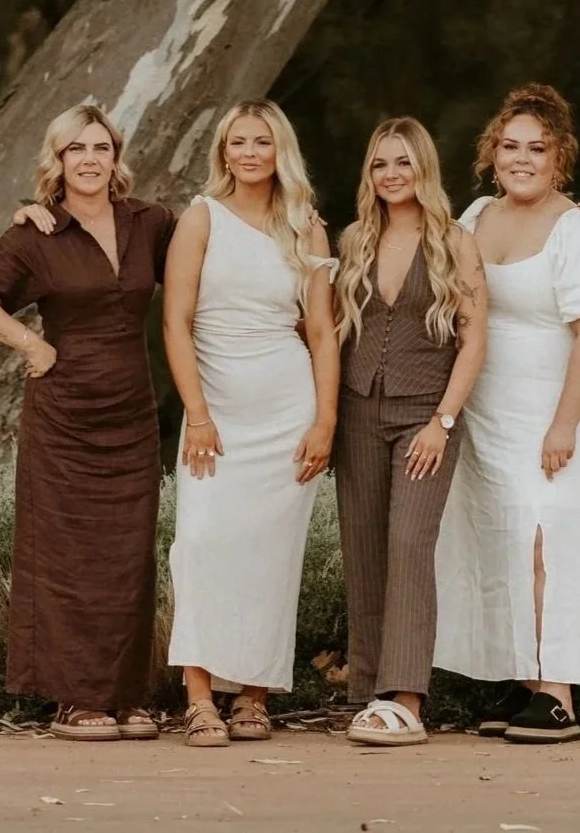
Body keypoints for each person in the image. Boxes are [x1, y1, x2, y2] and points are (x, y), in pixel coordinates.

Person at [0, 104, 177, 742]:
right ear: (59, 159)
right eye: (77, 149)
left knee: (128, 557)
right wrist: (31, 343)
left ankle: (126, 695)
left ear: (116, 156)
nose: (90, 159)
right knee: (68, 554)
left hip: (131, 413)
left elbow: (207, 263)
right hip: (65, 415)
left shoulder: (151, 222)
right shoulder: (38, 233)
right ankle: (75, 700)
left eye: (101, 147)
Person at [437, 84, 580, 744]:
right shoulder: (473, 218)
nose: (521, 159)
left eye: (537, 149)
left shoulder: (576, 230)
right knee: (500, 538)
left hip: (558, 403)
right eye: (510, 146)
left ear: (559, 158)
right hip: (489, 407)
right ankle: (520, 677)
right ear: (492, 153)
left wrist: (564, 424)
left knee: (550, 540)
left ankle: (558, 693)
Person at [162, 101, 340, 748]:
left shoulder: (305, 226)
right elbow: (175, 321)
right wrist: (198, 414)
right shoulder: (201, 218)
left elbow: (321, 331)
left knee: (269, 557)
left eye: (261, 141)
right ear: (223, 152)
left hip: (287, 409)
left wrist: (325, 420)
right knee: (201, 545)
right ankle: (199, 697)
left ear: (279, 150)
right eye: (237, 142)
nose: (249, 152)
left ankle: (253, 696)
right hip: (215, 412)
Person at [333, 117, 489, 748]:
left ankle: (406, 698)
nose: (391, 174)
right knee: (365, 547)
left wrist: (442, 422)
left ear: (424, 168)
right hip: (358, 413)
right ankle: (369, 692)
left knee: (409, 545)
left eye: (403, 162)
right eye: (380, 163)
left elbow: (474, 340)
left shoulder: (454, 242)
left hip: (426, 414)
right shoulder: (354, 240)